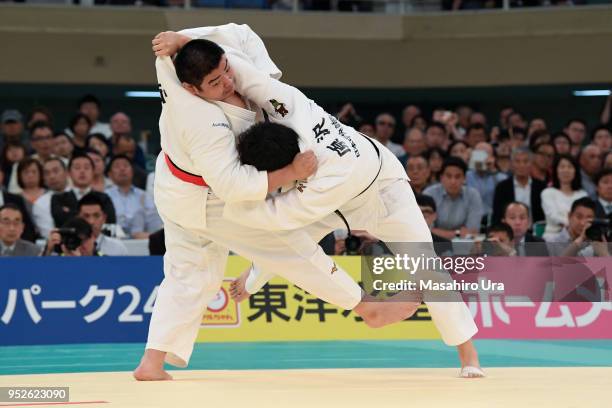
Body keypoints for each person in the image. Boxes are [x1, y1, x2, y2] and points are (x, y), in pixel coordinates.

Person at [135, 24, 416, 381]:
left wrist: (181, 38)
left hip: (172, 185)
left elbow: (237, 31)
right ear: (192, 89)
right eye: (216, 83)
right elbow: (233, 185)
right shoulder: (203, 122)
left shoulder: (173, 62)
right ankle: (367, 308)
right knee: (289, 246)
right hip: (208, 198)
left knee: (187, 273)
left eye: (226, 71)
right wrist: (291, 173)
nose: (227, 84)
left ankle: (152, 363)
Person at [217, 49, 482, 377]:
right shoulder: (287, 106)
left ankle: (468, 356)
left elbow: (277, 218)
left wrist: (228, 207)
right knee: (286, 242)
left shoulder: (329, 177)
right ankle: (253, 277)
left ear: (285, 168)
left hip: (385, 196)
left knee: (427, 269)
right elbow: (242, 71)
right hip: (335, 199)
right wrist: (184, 40)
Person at [423, 157, 484, 239]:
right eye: (448, 176)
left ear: (464, 178)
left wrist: (438, 232)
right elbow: (425, 230)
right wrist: (457, 233)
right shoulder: (429, 194)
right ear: (441, 177)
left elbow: (472, 232)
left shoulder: (473, 195)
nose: (453, 181)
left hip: (463, 245)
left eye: (457, 177)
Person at [50, 153, 116, 229]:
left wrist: (72, 213)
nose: (82, 171)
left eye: (87, 168)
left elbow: (110, 223)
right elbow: (61, 221)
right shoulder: (58, 199)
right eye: (77, 168)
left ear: (93, 172)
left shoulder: (103, 198)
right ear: (69, 173)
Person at [105, 155, 161, 239]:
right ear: (110, 174)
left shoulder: (145, 196)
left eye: (125, 166)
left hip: (141, 242)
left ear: (132, 171)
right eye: (117, 166)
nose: (122, 169)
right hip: (112, 240)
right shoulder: (105, 195)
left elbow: (154, 224)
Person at [492, 147, 546, 224]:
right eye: (517, 161)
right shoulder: (502, 188)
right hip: (509, 231)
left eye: (525, 161)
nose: (521, 165)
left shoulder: (541, 187)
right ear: (511, 164)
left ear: (531, 164)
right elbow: (497, 216)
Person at [541, 154, 588, 240]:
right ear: (556, 171)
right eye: (562, 167)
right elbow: (553, 216)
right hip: (553, 237)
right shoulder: (548, 193)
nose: (566, 170)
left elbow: (586, 217)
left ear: (575, 171)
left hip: (579, 236)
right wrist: (575, 224)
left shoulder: (583, 194)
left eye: (570, 167)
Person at [32, 158, 71, 237]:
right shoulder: (40, 204)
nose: (52, 176)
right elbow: (48, 234)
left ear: (66, 173)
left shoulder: (80, 195)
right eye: (47, 173)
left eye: (56, 171)